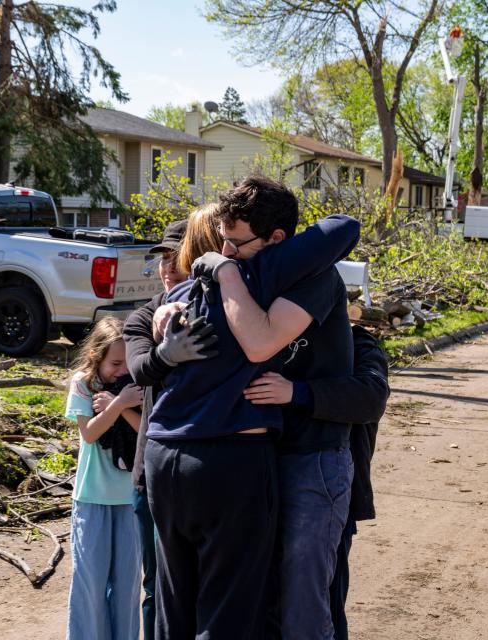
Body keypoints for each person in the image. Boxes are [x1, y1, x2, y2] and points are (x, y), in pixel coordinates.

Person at [144, 198, 360, 639]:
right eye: (218, 242)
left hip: (174, 452)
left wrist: (298, 392)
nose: (225, 251)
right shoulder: (229, 283)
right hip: (231, 458)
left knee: (180, 605)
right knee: (231, 609)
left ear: (277, 242)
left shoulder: (234, 282)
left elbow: (345, 227)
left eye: (234, 242)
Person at [244, 324, 389, 639]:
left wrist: (298, 393)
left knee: (320, 606)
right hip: (266, 488)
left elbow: (372, 396)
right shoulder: (268, 336)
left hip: (329, 493)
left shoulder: (356, 340)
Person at [123, 215, 212, 640]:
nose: (166, 267)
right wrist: (168, 353)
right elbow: (140, 370)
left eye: (176, 257)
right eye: (161, 258)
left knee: (204, 589)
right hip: (152, 474)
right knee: (157, 586)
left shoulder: (220, 308)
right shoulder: (141, 317)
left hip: (211, 469)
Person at [64, 316, 144, 640]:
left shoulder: (135, 386)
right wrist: (120, 404)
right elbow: (90, 433)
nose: (121, 371)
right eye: (114, 363)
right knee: (90, 586)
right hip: (91, 499)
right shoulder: (82, 383)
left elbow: (147, 434)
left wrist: (122, 405)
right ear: (97, 357)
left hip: (129, 500)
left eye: (127, 363)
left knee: (127, 588)